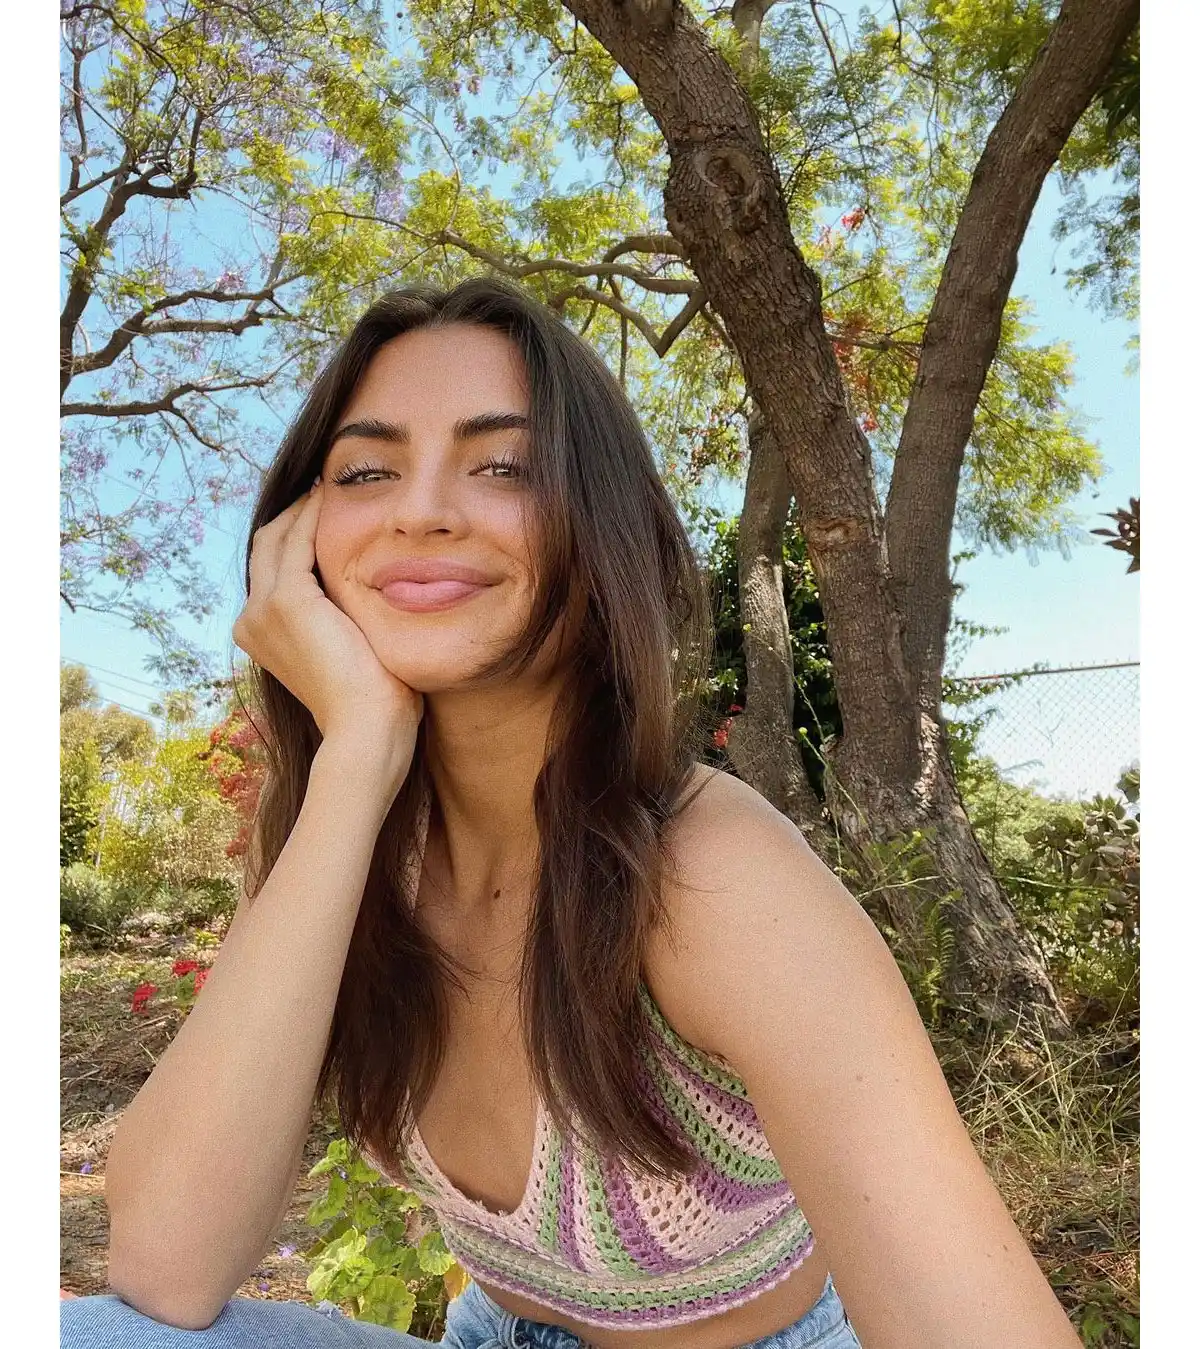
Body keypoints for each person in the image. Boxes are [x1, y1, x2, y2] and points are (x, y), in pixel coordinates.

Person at [62, 277, 1083, 1349]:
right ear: (300, 537)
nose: (421, 509)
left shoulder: (711, 875)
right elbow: (165, 1267)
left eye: (505, 465)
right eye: (366, 471)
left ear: (603, 527)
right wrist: (357, 754)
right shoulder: (356, 847)